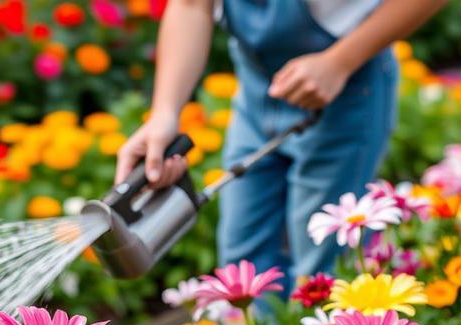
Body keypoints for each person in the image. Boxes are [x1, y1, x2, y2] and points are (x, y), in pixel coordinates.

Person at [115, 0, 447, 292]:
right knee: (243, 264)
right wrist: (164, 113)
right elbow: (191, 6)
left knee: (322, 265)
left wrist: (340, 62)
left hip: (346, 90)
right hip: (256, 90)